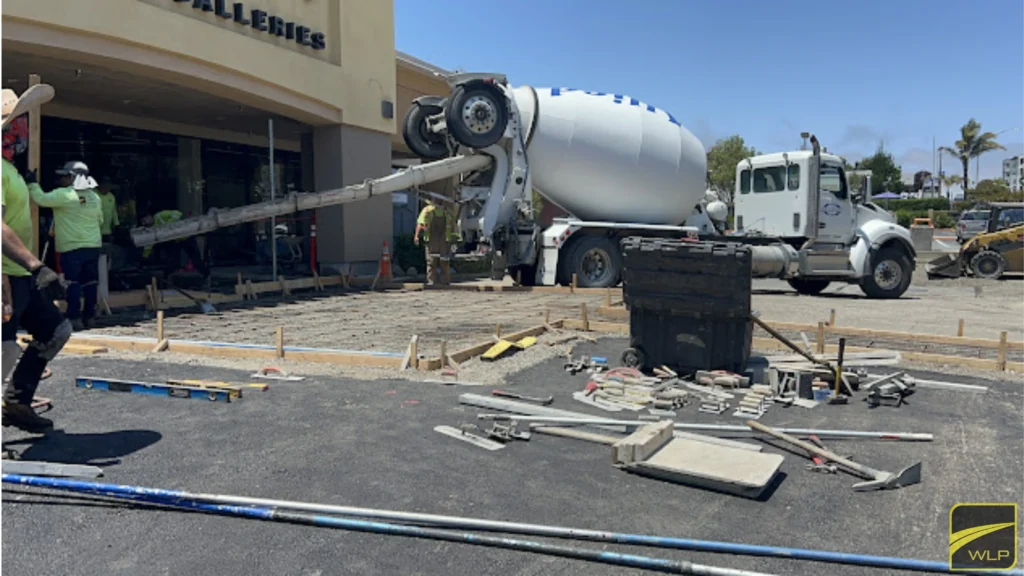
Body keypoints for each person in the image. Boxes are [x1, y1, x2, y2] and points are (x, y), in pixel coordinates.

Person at [2, 86, 71, 434]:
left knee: (55, 330)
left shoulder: (9, 169)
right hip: (6, 276)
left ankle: (16, 402)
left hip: (20, 276)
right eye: (16, 123)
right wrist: (36, 265)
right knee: (2, 354)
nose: (22, 131)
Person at [31, 160, 103, 331]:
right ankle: (89, 316)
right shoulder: (95, 196)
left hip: (72, 247)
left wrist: (32, 183)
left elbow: (40, 199)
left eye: (63, 176)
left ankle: (74, 317)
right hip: (93, 245)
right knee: (90, 282)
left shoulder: (64, 194)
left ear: (72, 177)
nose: (60, 180)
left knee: (72, 282)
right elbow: (100, 220)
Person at [140, 207, 210, 280]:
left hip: (187, 237)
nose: (144, 223)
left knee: (196, 259)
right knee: (172, 261)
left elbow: (177, 214)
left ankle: (206, 275)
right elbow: (149, 244)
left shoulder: (160, 216)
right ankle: (166, 279)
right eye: (142, 222)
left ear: (149, 217)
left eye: (144, 220)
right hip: (176, 241)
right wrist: (144, 258)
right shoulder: (151, 228)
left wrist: (169, 226)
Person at [414, 198, 457, 286]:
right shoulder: (427, 211)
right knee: (432, 262)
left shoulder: (447, 211)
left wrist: (455, 239)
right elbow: (420, 223)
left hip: (443, 241)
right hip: (432, 241)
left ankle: (444, 282)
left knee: (443, 262)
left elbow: (454, 225)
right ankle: (432, 282)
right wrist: (416, 236)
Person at [97, 176, 119, 243]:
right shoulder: (93, 195)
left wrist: (116, 223)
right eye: (104, 185)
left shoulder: (111, 196)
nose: (106, 187)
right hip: (96, 231)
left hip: (107, 230)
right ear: (100, 185)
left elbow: (113, 211)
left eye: (108, 186)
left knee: (108, 249)